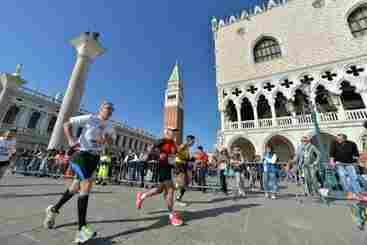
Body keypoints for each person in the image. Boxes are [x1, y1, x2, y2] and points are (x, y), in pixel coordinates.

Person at [43, 101, 115, 243]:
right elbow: (66, 124)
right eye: (107, 108)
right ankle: (81, 229)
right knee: (86, 184)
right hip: (81, 155)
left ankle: (53, 210)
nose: (109, 111)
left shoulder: (111, 126)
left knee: (75, 187)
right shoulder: (90, 118)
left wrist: (107, 140)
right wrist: (71, 140)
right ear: (101, 109)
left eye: (112, 110)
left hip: (94, 158)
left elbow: (111, 142)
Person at [136, 127, 184, 226]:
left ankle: (142, 196)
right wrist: (158, 155)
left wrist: (175, 160)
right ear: (166, 132)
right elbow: (149, 149)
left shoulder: (173, 144)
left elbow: (174, 155)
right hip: (161, 167)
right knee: (170, 190)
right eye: (172, 132)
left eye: (175, 132)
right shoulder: (161, 141)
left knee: (159, 190)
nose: (174, 134)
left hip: (169, 168)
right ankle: (172, 216)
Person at [175, 135, 196, 206]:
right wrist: (183, 158)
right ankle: (175, 195)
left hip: (184, 165)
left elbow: (187, 158)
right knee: (182, 181)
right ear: (189, 140)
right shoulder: (184, 145)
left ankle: (179, 197)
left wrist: (191, 159)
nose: (194, 142)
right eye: (193, 141)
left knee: (187, 182)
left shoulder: (188, 148)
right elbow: (177, 151)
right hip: (180, 164)